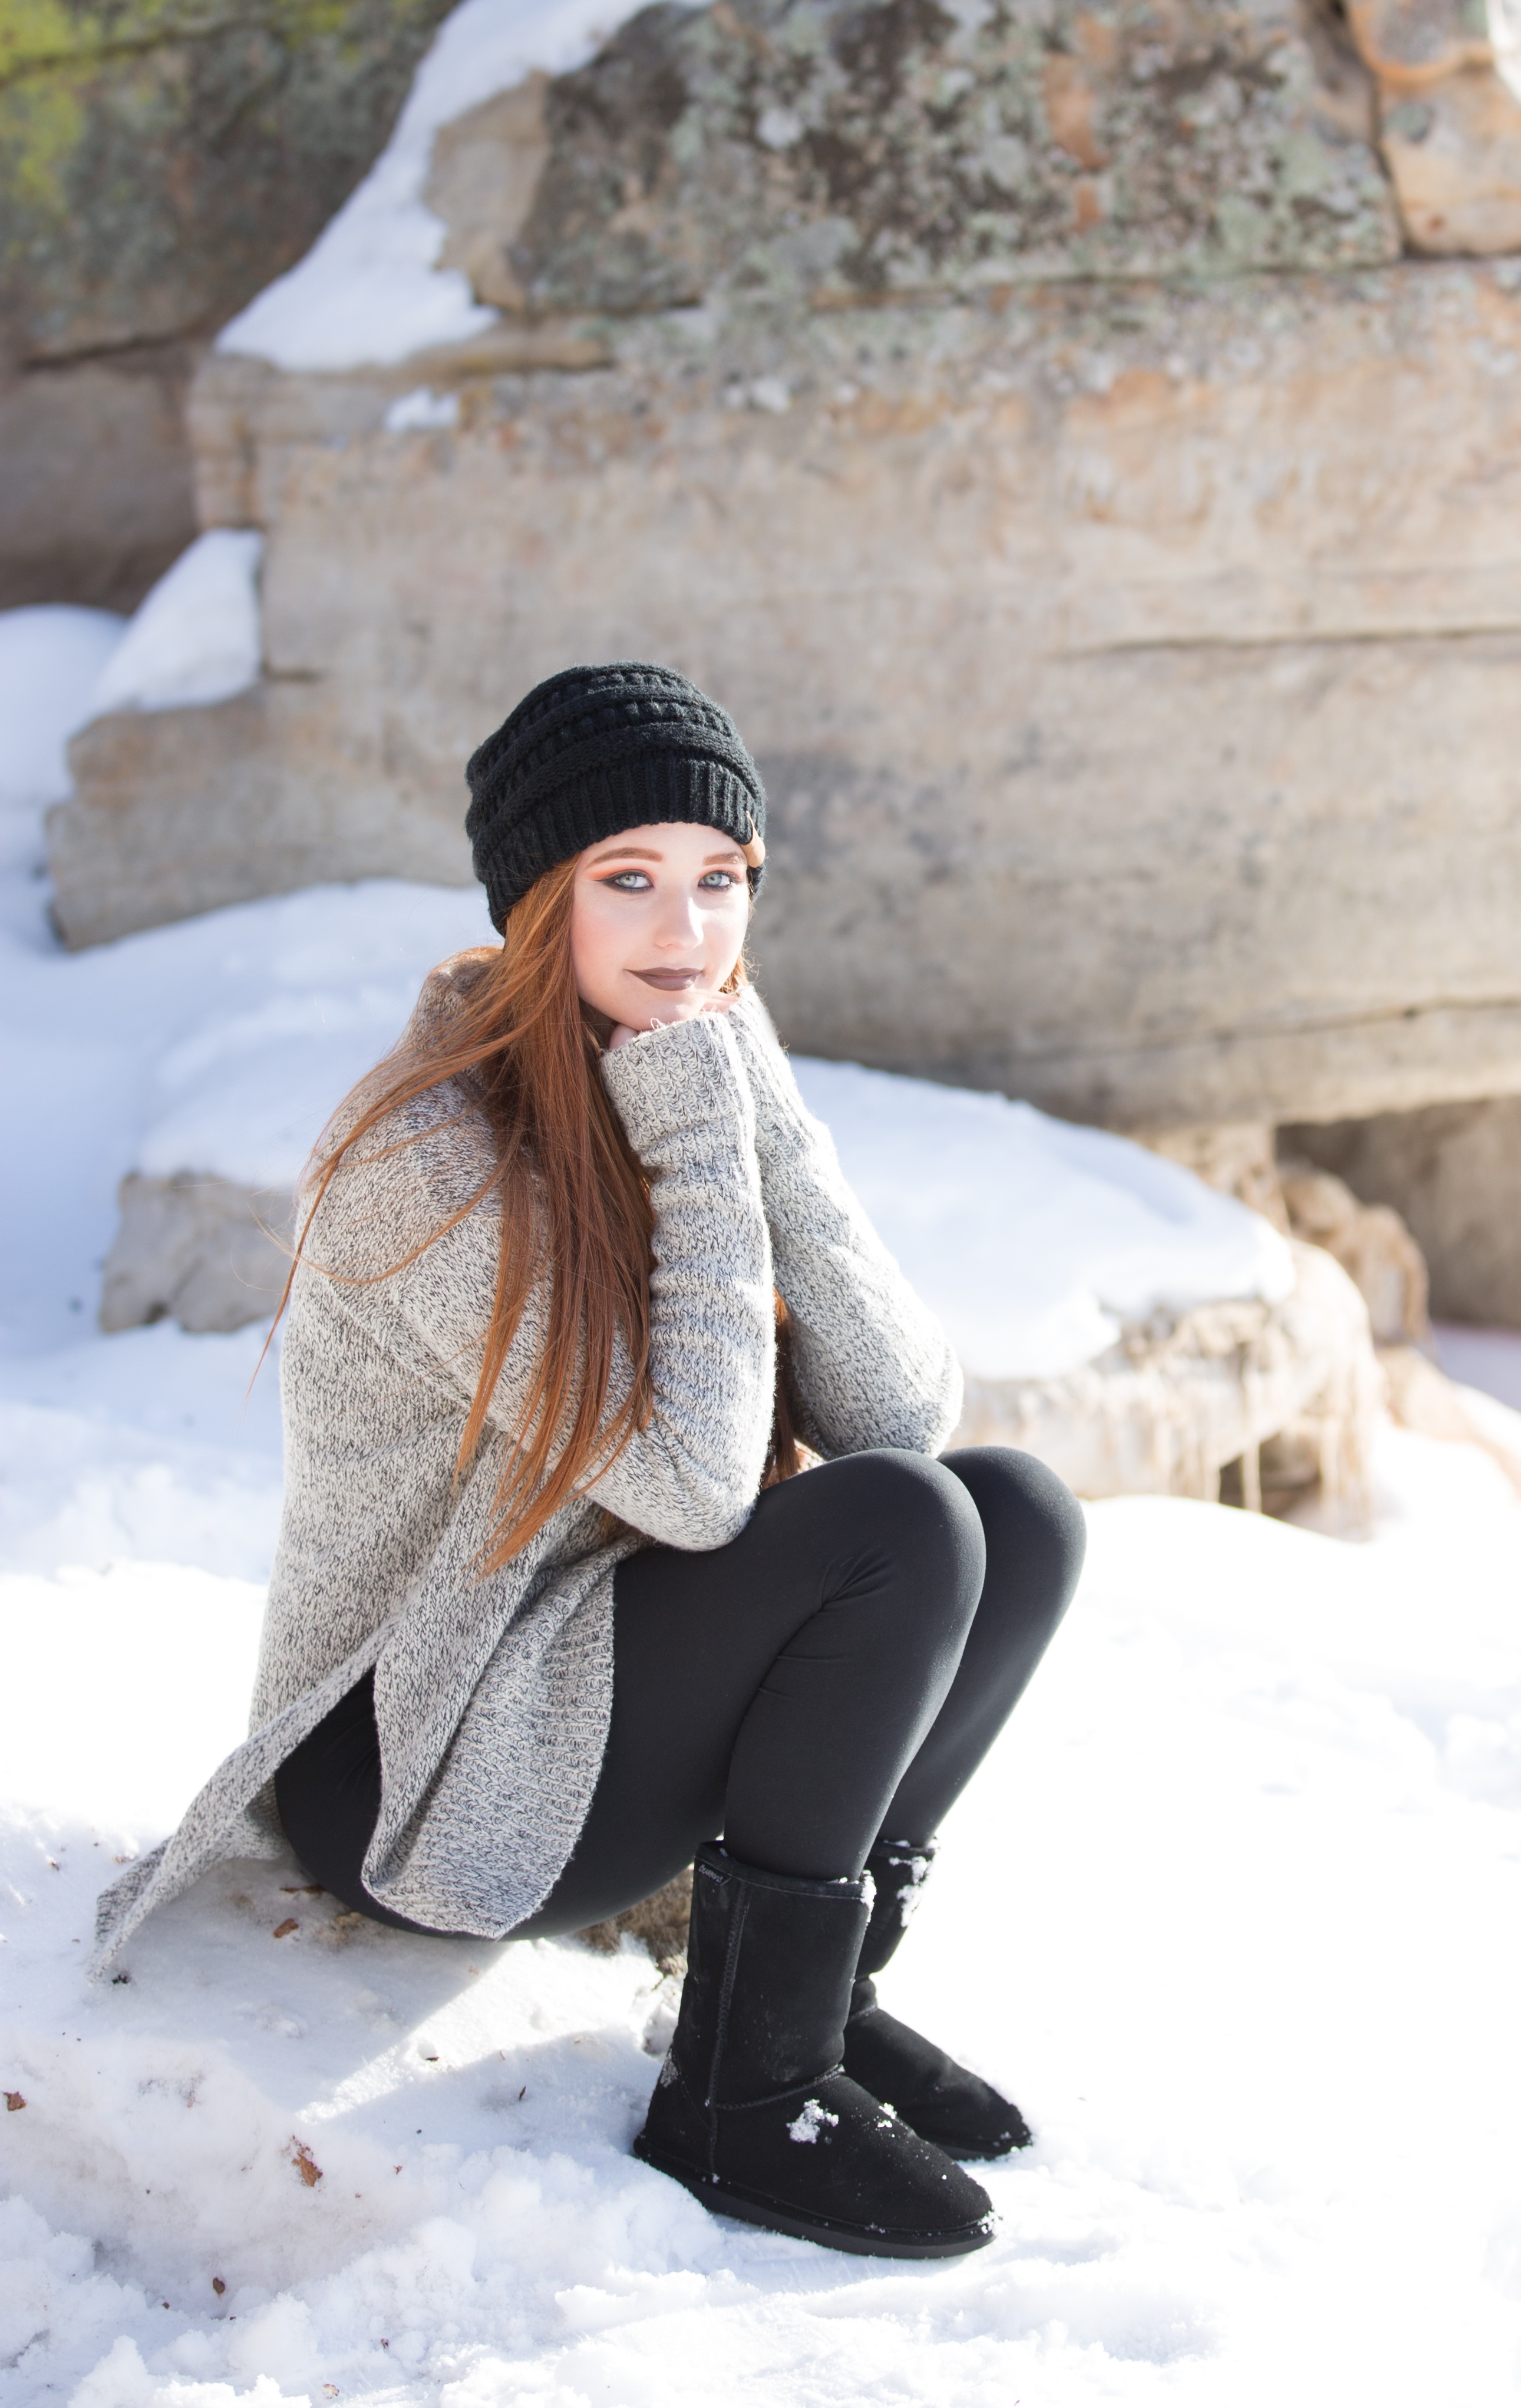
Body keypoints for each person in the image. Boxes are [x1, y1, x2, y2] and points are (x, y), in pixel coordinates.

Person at [93, 664, 1086, 2262]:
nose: (687, 931)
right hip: (425, 1771)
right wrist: (700, 1123)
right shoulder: (424, 1157)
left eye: (720, 883)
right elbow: (700, 1490)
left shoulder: (682, 1049)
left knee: (1010, 1512)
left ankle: (801, 2011)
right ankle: (740, 2105)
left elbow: (898, 1405)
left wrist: (753, 1107)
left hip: (588, 1671)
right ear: (538, 902)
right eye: (629, 881)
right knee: (897, 1532)